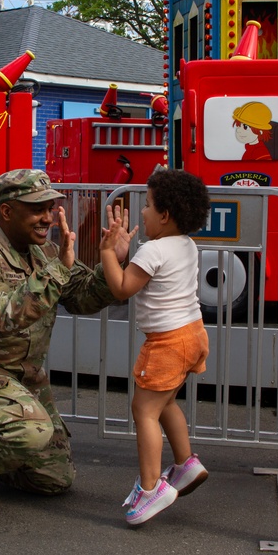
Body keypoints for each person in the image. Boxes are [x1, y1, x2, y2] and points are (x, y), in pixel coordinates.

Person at [0, 168, 134, 513]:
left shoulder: (45, 252)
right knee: (29, 433)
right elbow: (0, 318)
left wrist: (111, 260)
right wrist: (57, 269)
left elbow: (82, 297)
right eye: (38, 209)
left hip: (22, 377)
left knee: (54, 479)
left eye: (51, 208)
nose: (48, 218)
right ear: (7, 211)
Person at [99, 168, 212, 525]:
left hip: (165, 342)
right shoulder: (186, 245)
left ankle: (151, 490)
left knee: (144, 410)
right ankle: (185, 465)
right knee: (164, 403)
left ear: (164, 215)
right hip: (192, 335)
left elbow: (121, 289)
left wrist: (107, 253)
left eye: (147, 206)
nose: (143, 213)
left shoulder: (153, 249)